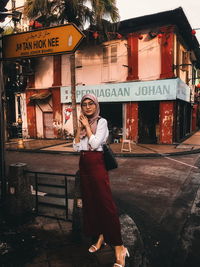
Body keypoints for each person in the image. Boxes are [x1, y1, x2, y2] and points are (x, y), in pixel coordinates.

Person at [73, 94, 129, 267]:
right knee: (91, 203)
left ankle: (119, 247)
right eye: (84, 104)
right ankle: (100, 238)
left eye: (91, 104)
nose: (88, 107)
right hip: (84, 165)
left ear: (96, 105)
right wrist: (79, 128)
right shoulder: (82, 124)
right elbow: (76, 147)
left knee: (106, 205)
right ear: (81, 107)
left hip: (97, 164)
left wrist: (87, 128)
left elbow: (96, 144)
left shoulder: (102, 122)